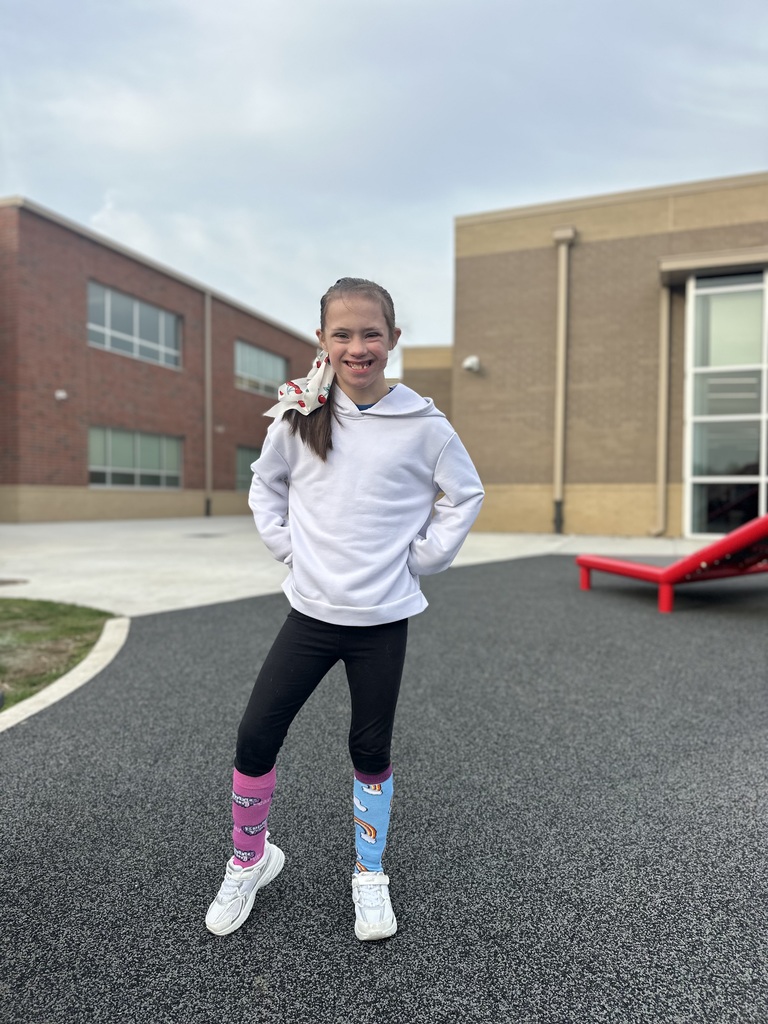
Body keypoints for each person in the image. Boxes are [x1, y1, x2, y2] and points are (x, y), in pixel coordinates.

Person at [205, 277, 484, 941]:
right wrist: (287, 549)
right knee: (255, 735)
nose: (358, 346)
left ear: (392, 340)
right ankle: (251, 858)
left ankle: (369, 873)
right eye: (343, 334)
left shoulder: (424, 426)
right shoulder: (299, 416)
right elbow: (264, 487)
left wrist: (422, 559)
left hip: (381, 621)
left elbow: (464, 496)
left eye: (371, 333)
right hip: (310, 615)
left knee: (369, 748)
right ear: (323, 341)